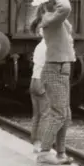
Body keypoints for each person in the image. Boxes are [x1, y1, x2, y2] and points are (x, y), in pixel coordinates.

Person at [32, 0, 75, 166]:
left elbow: (65, 14)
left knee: (65, 115)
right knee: (58, 114)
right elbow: (65, 8)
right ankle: (44, 152)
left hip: (61, 70)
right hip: (54, 70)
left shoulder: (58, 23)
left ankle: (61, 152)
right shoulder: (49, 20)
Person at [28, 21, 49, 155]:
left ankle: (35, 142)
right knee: (46, 114)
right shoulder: (49, 47)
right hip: (43, 80)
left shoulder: (39, 46)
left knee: (37, 114)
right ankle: (41, 144)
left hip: (34, 80)